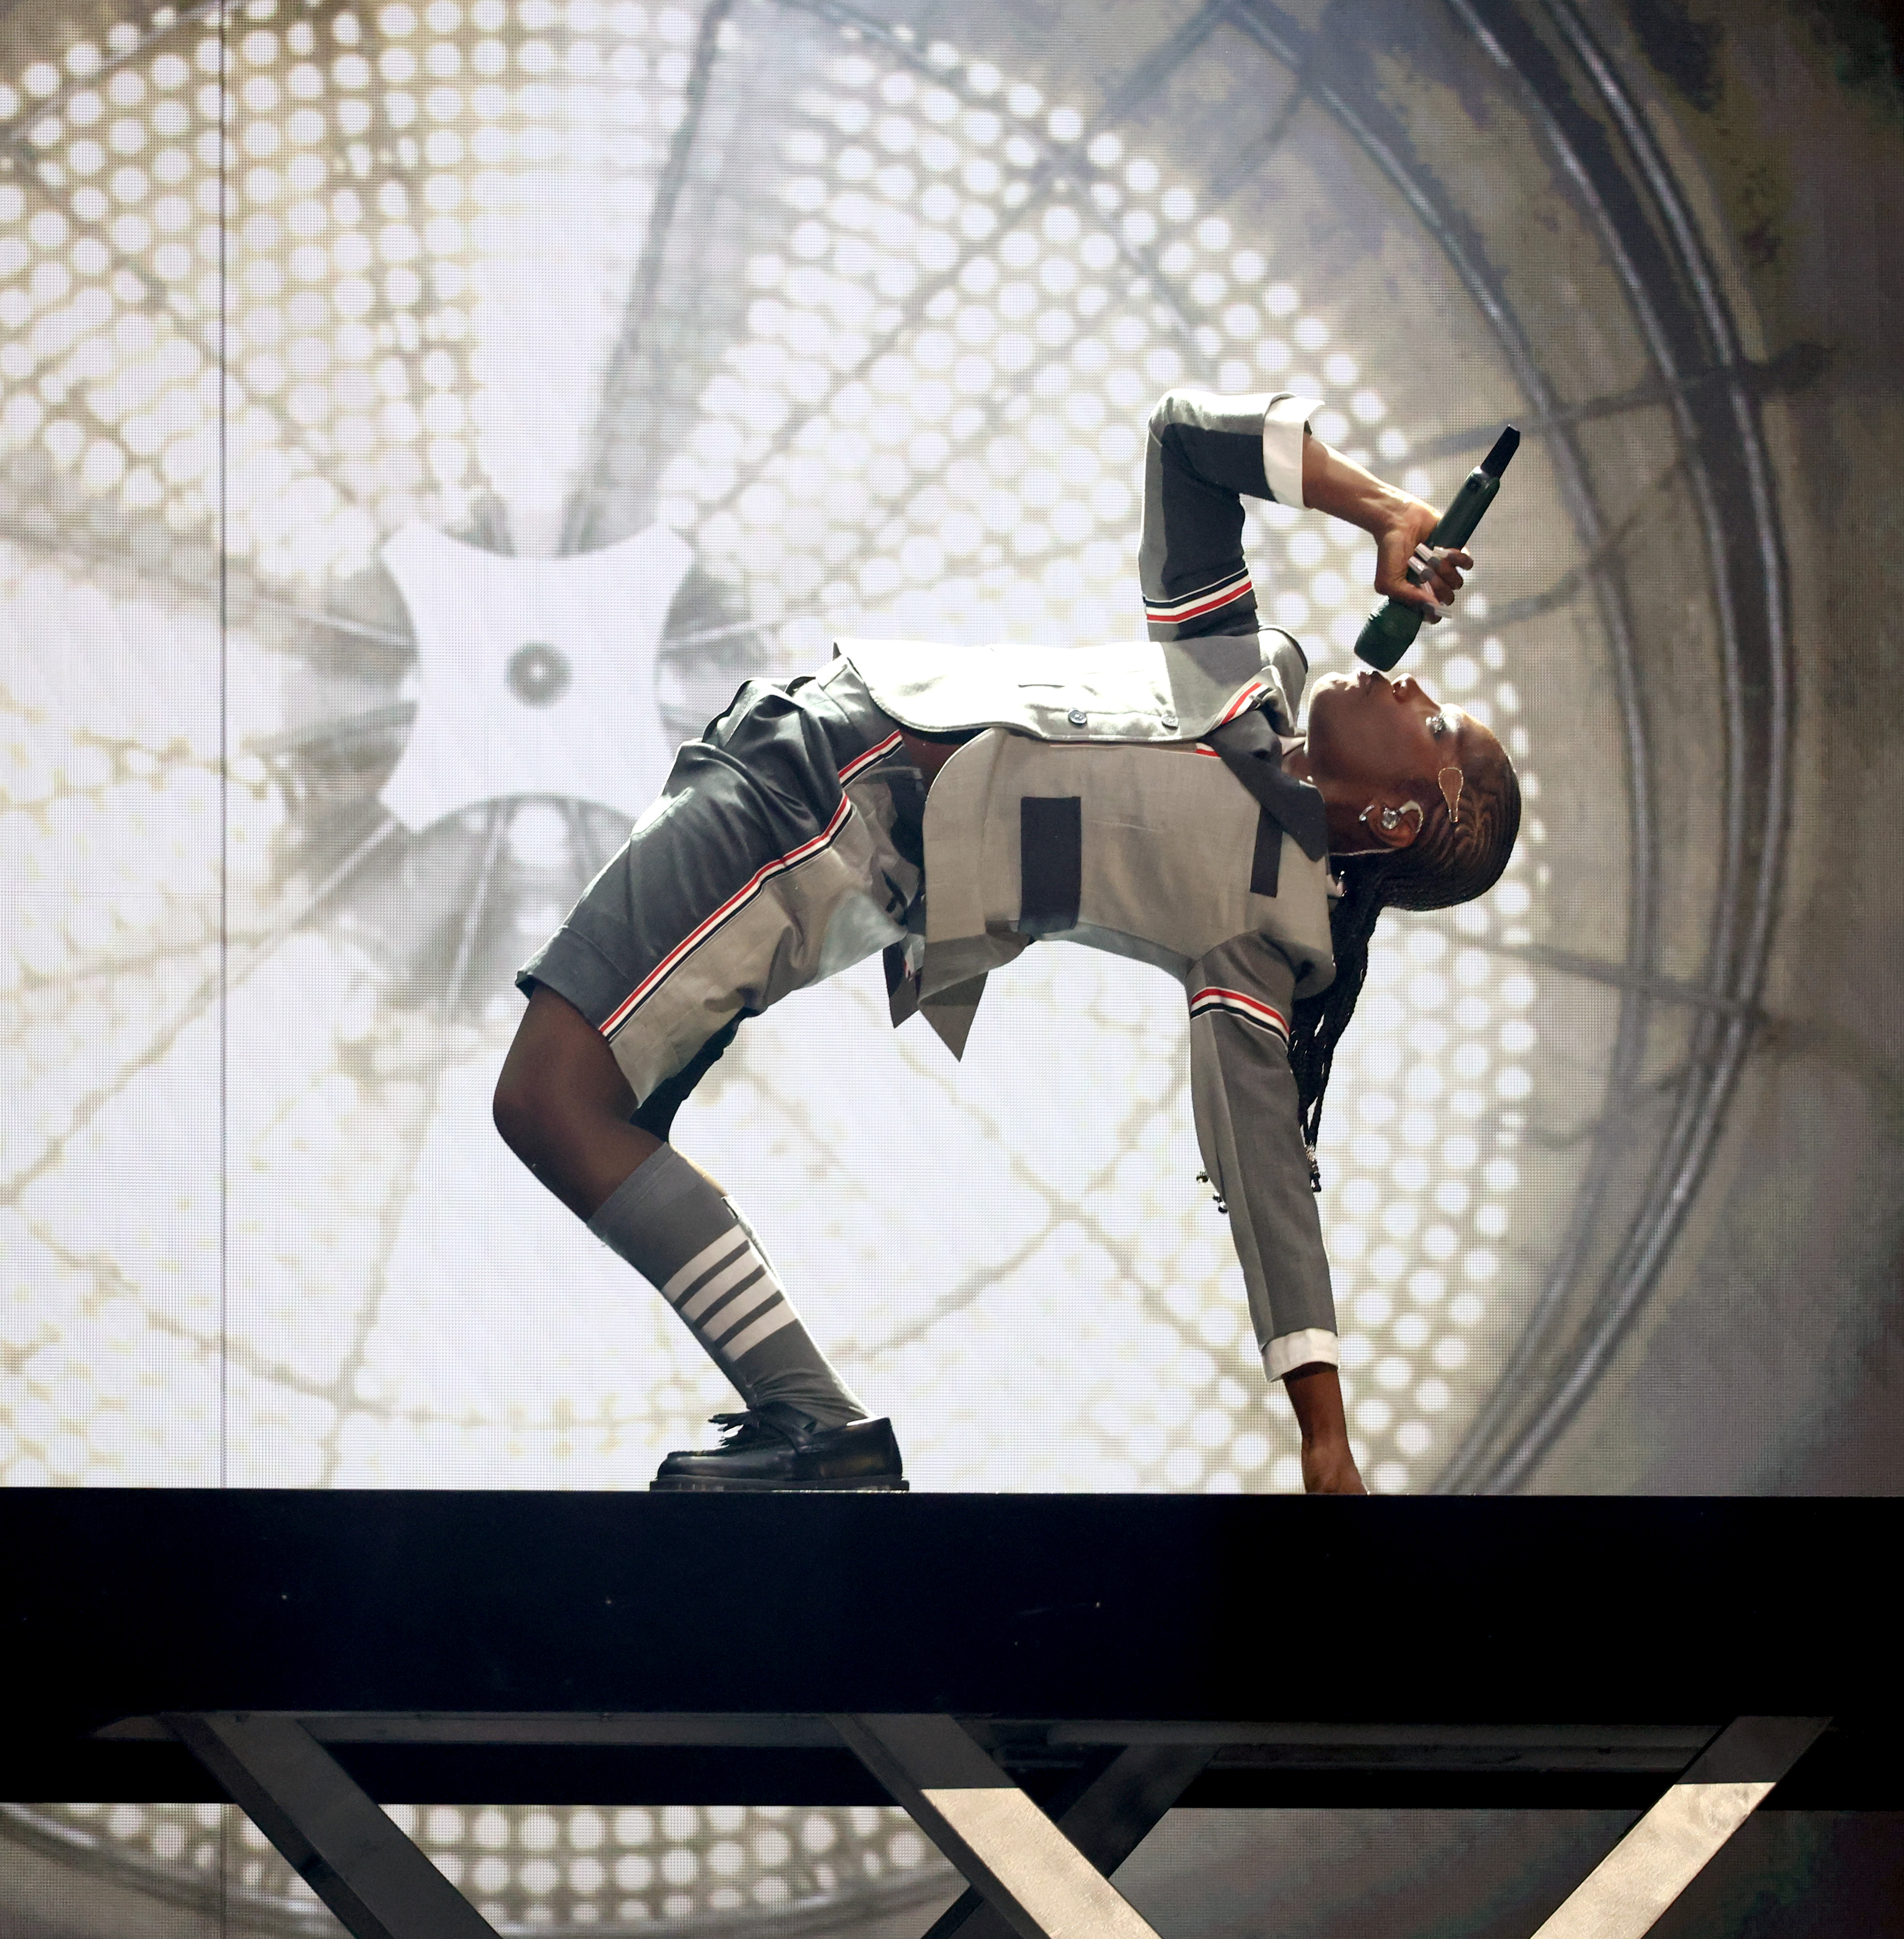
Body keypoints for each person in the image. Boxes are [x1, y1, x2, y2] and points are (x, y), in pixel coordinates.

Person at [491, 387, 1520, 1494]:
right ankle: (812, 1426)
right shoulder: (1249, 680)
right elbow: (1184, 442)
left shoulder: (1260, 931)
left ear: (1398, 818)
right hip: (812, 764)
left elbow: (1266, 1174)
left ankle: (818, 1429)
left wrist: (1326, 1439)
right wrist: (1378, 511)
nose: (1415, 683)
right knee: (608, 1111)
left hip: (819, 808)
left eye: (1434, 724)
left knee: (551, 1098)